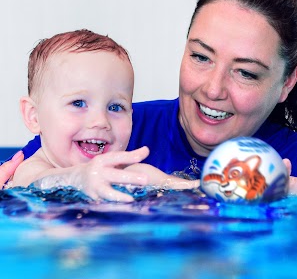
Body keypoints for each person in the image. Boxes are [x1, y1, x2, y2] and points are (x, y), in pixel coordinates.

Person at [2, 0, 297, 196]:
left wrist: (282, 188)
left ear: (288, 81)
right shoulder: (104, 136)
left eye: (246, 73)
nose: (212, 89)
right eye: (201, 57)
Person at [7, 29, 199, 201]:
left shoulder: (121, 172)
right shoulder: (31, 169)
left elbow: (147, 176)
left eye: (115, 107)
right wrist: (78, 177)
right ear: (34, 116)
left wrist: (192, 188)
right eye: (78, 103)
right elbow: (40, 182)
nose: (100, 121)